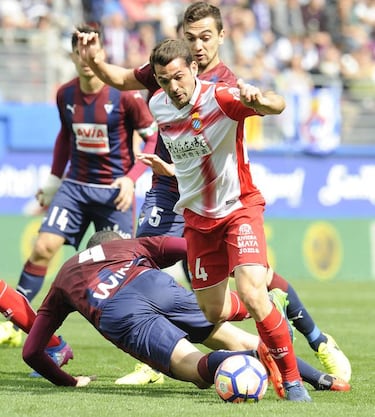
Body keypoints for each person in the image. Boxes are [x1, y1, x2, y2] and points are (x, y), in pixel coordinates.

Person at [75, 2, 351, 386]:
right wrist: (97, 59)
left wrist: (259, 100)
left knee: (251, 284)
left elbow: (252, 121)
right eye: (190, 38)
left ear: (222, 36)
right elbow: (122, 79)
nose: (198, 46)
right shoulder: (167, 71)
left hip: (218, 197)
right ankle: (152, 360)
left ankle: (316, 338)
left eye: (206, 37)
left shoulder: (225, 85)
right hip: (168, 188)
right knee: (143, 266)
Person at [21, 230, 349, 395]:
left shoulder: (63, 278)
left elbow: (33, 351)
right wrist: (244, 271)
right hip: (151, 283)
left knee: (195, 370)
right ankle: (319, 378)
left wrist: (69, 381)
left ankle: (253, 359)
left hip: (119, 311)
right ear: (113, 242)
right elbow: (193, 251)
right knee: (232, 337)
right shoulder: (131, 245)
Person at [0, 24, 158, 347]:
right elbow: (64, 137)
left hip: (114, 194)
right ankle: (15, 325)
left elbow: (152, 138)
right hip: (75, 187)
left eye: (94, 52)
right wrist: (53, 181)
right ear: (73, 55)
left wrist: (131, 179)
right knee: (43, 247)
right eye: (80, 52)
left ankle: (146, 346)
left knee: (124, 270)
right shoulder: (65, 94)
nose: (87, 58)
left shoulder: (126, 96)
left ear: (102, 54)